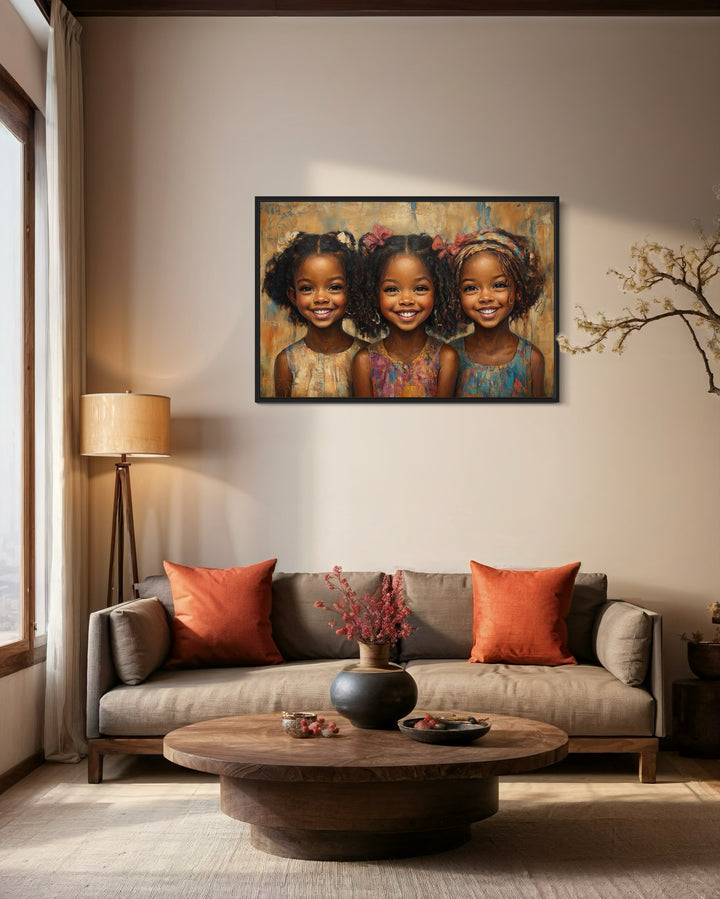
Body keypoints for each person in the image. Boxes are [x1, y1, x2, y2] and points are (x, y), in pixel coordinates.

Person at [352, 227, 458, 398]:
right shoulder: (364, 362)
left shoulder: (446, 358)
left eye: (420, 288)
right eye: (392, 289)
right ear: (374, 295)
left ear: (437, 293)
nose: (406, 300)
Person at [445, 228, 546, 398]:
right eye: (471, 288)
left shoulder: (531, 359)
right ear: (458, 295)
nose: (485, 297)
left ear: (518, 291)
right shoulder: (449, 356)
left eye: (499, 285)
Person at [262, 230, 365, 397]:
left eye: (334, 287)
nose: (321, 298)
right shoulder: (287, 361)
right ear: (293, 296)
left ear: (350, 291)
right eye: (307, 288)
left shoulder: (366, 356)